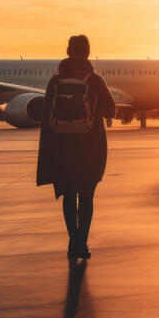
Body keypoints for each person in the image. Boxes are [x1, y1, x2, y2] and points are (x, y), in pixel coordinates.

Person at [37, 35, 116, 260]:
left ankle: (73, 242)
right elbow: (111, 111)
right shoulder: (95, 79)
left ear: (68, 51)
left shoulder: (54, 81)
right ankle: (82, 241)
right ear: (88, 52)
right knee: (87, 196)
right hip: (90, 148)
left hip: (63, 149)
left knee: (69, 196)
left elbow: (46, 117)